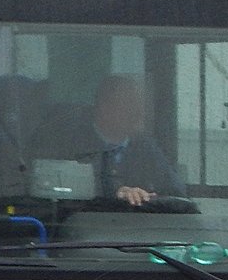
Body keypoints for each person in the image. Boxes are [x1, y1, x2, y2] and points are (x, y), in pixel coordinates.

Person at [74, 74, 186, 206]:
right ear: (104, 107)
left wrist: (147, 195)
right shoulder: (73, 144)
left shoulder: (146, 147)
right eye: (129, 105)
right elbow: (71, 190)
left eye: (139, 106)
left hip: (140, 223)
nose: (137, 113)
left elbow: (176, 192)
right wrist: (117, 193)